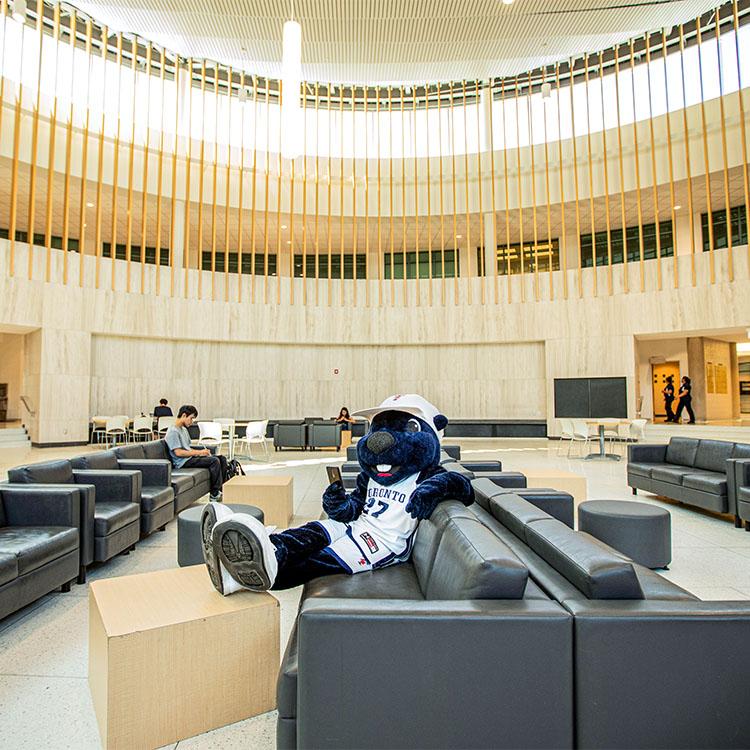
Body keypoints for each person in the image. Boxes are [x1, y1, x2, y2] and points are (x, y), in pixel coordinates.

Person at [200, 394, 474, 595]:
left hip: (382, 543)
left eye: (407, 428)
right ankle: (260, 550)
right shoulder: (373, 475)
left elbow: (464, 487)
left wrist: (438, 487)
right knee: (311, 532)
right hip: (355, 525)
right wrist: (339, 503)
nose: (380, 440)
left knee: (320, 560)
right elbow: (356, 507)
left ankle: (264, 572)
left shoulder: (426, 475)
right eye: (377, 429)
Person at [165, 404, 228, 501]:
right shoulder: (173, 431)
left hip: (189, 458)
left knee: (222, 459)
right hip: (182, 462)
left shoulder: (184, 430)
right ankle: (214, 494)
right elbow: (178, 453)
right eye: (191, 418)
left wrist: (203, 452)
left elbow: (188, 448)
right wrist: (199, 452)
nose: (192, 421)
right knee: (214, 461)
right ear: (184, 415)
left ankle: (221, 489)